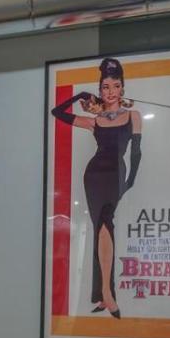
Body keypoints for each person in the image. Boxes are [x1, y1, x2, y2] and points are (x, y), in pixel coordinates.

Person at [51, 56, 143, 318]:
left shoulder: (133, 116)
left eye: (116, 86)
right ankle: (105, 295)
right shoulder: (95, 120)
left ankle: (105, 293)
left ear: (122, 88)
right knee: (100, 229)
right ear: (100, 90)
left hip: (116, 176)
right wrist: (79, 95)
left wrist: (130, 181)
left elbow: (136, 153)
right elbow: (57, 113)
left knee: (105, 226)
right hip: (93, 176)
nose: (110, 92)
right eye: (105, 87)